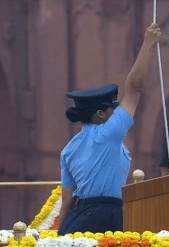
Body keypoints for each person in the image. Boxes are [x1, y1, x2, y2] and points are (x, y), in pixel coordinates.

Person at [57, 23, 161, 235]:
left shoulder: (69, 149)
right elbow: (134, 89)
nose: (119, 111)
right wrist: (148, 44)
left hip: (77, 219)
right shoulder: (108, 133)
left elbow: (67, 200)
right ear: (101, 114)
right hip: (106, 215)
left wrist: (59, 236)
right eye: (113, 108)